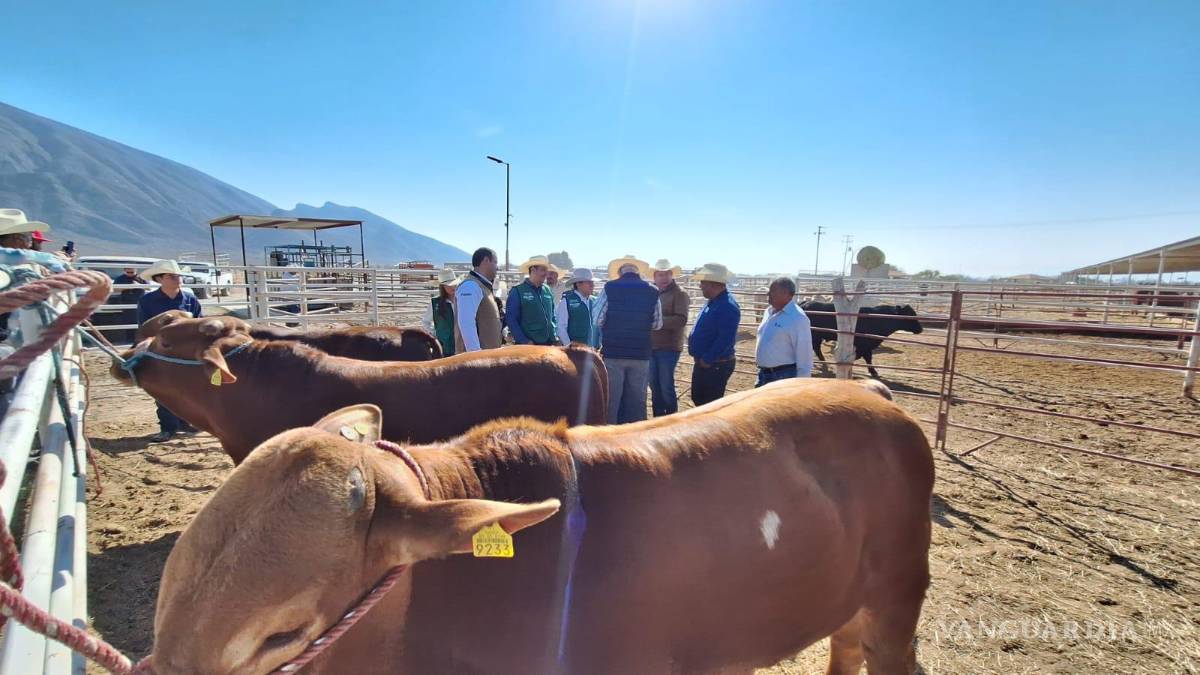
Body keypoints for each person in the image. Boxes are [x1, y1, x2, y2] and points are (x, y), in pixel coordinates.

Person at [136, 260, 203, 442]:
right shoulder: (147, 301)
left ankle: (185, 422)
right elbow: (144, 327)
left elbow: (199, 322)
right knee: (164, 389)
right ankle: (168, 427)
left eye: (178, 276)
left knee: (189, 389)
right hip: (162, 351)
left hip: (186, 351)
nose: (177, 279)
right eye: (172, 276)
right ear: (160, 279)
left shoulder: (190, 299)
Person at [595, 255, 662, 423]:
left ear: (620, 272)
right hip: (641, 353)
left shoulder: (609, 288)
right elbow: (658, 324)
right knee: (637, 400)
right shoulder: (653, 291)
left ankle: (609, 435)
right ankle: (634, 435)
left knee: (612, 399)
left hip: (614, 352)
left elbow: (597, 319)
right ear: (637, 272)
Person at [687, 262, 740, 406]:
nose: (700, 286)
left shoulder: (727, 306)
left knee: (709, 404)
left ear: (713, 283)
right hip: (708, 363)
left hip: (715, 364)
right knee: (700, 400)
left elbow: (726, 339)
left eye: (703, 282)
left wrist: (708, 359)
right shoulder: (715, 302)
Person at [754, 276, 813, 387]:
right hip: (763, 374)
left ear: (786, 293)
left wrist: (801, 385)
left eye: (772, 291)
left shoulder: (798, 318)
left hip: (782, 377)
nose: (768, 294)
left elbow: (804, 356)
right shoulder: (769, 311)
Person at [649, 258, 689, 416]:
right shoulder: (653, 293)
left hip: (669, 347)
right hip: (652, 346)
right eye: (660, 274)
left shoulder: (680, 294)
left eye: (666, 274)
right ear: (655, 276)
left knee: (666, 385)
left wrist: (656, 321)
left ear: (672, 275)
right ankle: (659, 417)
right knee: (654, 385)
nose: (663, 278)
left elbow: (681, 319)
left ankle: (671, 418)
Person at [454, 247, 504, 352]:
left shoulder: (481, 286)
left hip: (485, 359)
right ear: (486, 260)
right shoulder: (471, 286)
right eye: (495, 262)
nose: (497, 267)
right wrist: (475, 356)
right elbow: (466, 323)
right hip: (477, 362)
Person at [506, 255, 558, 346]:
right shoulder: (517, 291)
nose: (546, 273)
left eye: (546, 270)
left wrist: (554, 337)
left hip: (548, 343)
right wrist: (524, 341)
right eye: (543, 270)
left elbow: (552, 316)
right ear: (533, 270)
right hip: (528, 346)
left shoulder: (548, 290)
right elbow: (511, 319)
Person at [555, 268, 599, 348]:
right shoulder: (566, 301)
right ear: (578, 284)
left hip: (593, 350)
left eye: (592, 282)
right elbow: (561, 328)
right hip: (576, 351)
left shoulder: (594, 300)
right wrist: (569, 347)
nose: (592, 285)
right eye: (589, 282)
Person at [422, 268, 460, 357]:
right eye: (448, 285)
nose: (452, 287)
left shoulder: (462, 300)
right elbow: (425, 321)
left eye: (454, 284)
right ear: (442, 287)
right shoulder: (435, 303)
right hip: (444, 346)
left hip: (461, 344)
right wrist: (435, 334)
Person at [114, 266, 149, 343]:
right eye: (128, 272)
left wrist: (139, 285)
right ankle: (130, 339)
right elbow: (114, 289)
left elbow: (148, 287)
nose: (130, 274)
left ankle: (141, 339)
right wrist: (127, 287)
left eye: (132, 272)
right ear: (124, 270)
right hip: (127, 302)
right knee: (129, 321)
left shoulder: (141, 278)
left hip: (140, 302)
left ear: (136, 270)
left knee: (141, 321)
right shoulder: (120, 279)